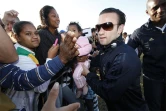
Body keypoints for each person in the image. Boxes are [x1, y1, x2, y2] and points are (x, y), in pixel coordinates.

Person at [81, 7, 149, 111]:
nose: (100, 32)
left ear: (120, 29)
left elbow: (108, 92)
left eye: (107, 26)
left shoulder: (125, 57)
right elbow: (97, 61)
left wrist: (88, 75)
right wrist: (82, 58)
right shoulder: (108, 49)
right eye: (98, 27)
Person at [127, 0, 166, 111]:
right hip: (153, 80)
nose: (161, 10)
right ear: (147, 12)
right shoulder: (140, 32)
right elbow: (127, 53)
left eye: (164, 5)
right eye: (155, 8)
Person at [67, 22, 92, 98]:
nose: (71, 32)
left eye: (74, 30)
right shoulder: (69, 42)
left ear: (80, 32)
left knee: (76, 76)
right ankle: (80, 88)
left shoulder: (82, 39)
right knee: (77, 76)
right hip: (77, 64)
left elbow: (89, 47)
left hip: (84, 62)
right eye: (69, 30)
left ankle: (83, 86)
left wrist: (78, 52)